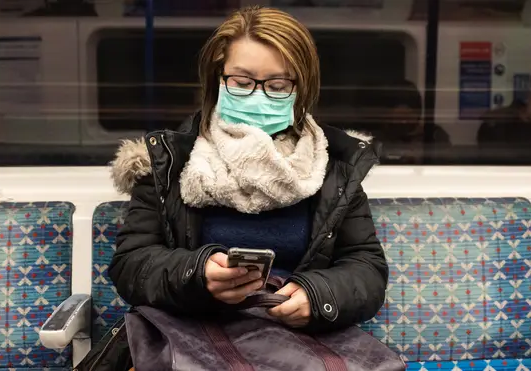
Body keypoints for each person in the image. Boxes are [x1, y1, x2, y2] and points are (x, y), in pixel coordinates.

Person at [92, 5, 387, 368]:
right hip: (188, 340)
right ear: (218, 78)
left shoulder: (335, 168)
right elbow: (131, 265)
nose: (258, 97)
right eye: (242, 82)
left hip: (300, 344)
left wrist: (319, 295)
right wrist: (197, 274)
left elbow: (367, 269)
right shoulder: (169, 162)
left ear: (302, 88)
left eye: (277, 85)